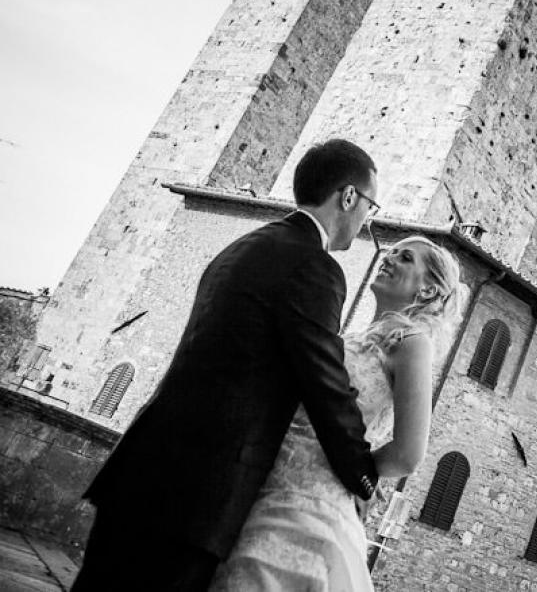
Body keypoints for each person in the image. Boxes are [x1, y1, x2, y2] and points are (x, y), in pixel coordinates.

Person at [73, 139, 384, 592]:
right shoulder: (314, 266)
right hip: (197, 491)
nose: (367, 220)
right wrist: (363, 476)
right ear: (349, 196)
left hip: (143, 467)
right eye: (371, 206)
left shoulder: (244, 246)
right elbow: (325, 381)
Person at [210, 234, 467, 591]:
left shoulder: (412, 343)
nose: (389, 258)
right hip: (265, 486)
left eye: (405, 257)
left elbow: (408, 454)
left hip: (310, 503)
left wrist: (357, 475)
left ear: (427, 291)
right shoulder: (352, 337)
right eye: (391, 252)